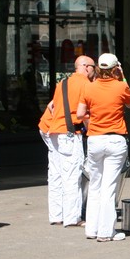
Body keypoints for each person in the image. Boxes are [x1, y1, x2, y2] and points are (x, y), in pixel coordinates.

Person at [76, 53, 130, 242]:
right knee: (109, 187)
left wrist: (94, 118)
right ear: (115, 68)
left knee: (95, 185)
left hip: (95, 139)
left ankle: (91, 229)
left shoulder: (89, 87)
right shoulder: (121, 86)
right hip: (116, 140)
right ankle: (106, 232)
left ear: (98, 69)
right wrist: (122, 77)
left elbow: (80, 114)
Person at [38, 56, 94, 227]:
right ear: (86, 67)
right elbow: (84, 114)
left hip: (52, 131)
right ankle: (72, 217)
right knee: (72, 176)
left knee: (55, 175)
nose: (94, 71)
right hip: (69, 133)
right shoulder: (86, 85)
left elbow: (51, 106)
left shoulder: (62, 83)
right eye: (93, 67)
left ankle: (56, 215)